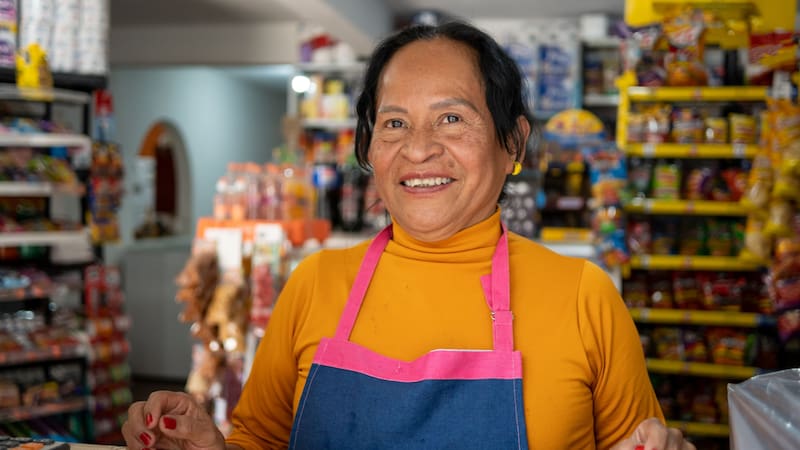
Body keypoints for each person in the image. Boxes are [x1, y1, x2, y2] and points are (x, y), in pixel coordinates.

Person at [122, 21, 697, 450]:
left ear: (513, 143)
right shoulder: (314, 284)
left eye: (452, 118)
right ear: (370, 148)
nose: (418, 149)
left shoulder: (583, 297)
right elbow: (260, 441)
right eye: (394, 122)